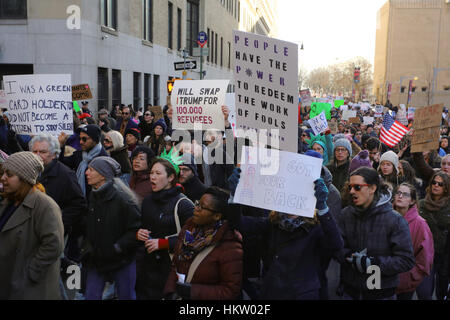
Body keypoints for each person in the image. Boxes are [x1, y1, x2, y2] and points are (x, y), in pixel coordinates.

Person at [226, 168, 344, 300]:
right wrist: (234, 196)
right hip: (272, 292)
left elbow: (336, 245)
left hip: (302, 294)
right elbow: (237, 223)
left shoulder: (315, 228)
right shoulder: (272, 223)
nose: (292, 199)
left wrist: (323, 208)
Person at [336, 167, 415, 300]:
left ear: (372, 188)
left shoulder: (394, 220)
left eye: (357, 187)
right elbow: (337, 247)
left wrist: (374, 263)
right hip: (350, 290)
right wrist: (349, 257)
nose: (351, 191)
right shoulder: (346, 215)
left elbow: (406, 260)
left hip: (380, 293)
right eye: (350, 187)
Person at [0, 152, 64, 299]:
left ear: (24, 179)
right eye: (3, 173)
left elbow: (53, 245)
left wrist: (30, 273)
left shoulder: (45, 206)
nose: (3, 178)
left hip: (30, 288)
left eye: (9, 174)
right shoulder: (8, 201)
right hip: (8, 282)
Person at [163, 187, 243, 300]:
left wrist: (192, 291)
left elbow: (230, 291)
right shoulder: (189, 230)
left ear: (217, 216)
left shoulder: (229, 246)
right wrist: (170, 292)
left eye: (202, 207)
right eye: (197, 204)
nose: (196, 209)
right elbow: (175, 264)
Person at [136, 151, 194, 299]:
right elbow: (141, 226)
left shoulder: (184, 205)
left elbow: (194, 237)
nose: (152, 177)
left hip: (171, 270)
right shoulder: (148, 201)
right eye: (151, 173)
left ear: (171, 177)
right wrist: (138, 233)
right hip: (146, 269)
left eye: (158, 173)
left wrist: (164, 243)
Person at [83, 157, 141, 300]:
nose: (86, 173)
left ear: (102, 175)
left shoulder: (123, 199)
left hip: (122, 260)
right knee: (91, 296)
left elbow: (135, 229)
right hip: (98, 258)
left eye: (91, 170)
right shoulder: (94, 194)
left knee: (126, 296)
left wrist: (117, 247)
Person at [30, 135, 87, 238]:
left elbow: (78, 204)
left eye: (43, 152)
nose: (37, 155)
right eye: (34, 151)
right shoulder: (28, 171)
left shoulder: (65, 175)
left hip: (53, 233)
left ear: (54, 154)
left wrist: (56, 222)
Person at [393, 183, 434, 300]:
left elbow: (425, 258)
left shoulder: (420, 224)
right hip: (382, 280)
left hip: (404, 284)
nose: (400, 196)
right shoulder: (385, 216)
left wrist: (409, 277)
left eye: (405, 194)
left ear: (412, 201)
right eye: (398, 193)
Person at [418, 172, 450, 300]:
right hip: (425, 255)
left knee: (441, 291)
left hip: (445, 256)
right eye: (434, 183)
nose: (436, 186)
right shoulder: (420, 204)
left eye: (440, 184)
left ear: (446, 187)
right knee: (424, 293)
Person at [60, 124, 109, 199]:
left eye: (84, 139)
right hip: (79, 201)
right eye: (79, 138)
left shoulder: (104, 159)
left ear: (95, 140)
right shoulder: (79, 155)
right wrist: (61, 146)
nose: (81, 142)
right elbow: (62, 164)